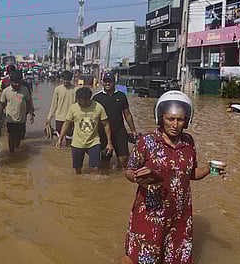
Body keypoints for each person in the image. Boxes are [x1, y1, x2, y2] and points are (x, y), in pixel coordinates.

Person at [121, 91, 227, 264]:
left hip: (179, 215)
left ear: (187, 121)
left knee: (176, 259)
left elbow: (190, 174)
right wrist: (136, 177)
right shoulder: (147, 141)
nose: (175, 125)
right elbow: (129, 170)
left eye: (180, 120)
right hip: (150, 213)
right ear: (161, 117)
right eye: (170, 119)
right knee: (139, 258)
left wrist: (209, 169)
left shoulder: (188, 142)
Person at [56, 87, 114, 174]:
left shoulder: (98, 107)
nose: (80, 103)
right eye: (78, 100)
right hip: (77, 143)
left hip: (94, 142)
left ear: (88, 99)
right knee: (78, 170)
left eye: (82, 101)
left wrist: (109, 143)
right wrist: (60, 139)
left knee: (95, 168)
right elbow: (66, 124)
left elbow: (106, 125)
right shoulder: (73, 108)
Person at [93, 72, 137, 170]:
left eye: (110, 81)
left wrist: (133, 130)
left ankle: (119, 177)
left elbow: (127, 114)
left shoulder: (121, 96)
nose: (107, 84)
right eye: (105, 81)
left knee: (124, 160)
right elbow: (92, 117)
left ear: (114, 82)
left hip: (119, 131)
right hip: (102, 132)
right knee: (104, 162)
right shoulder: (96, 98)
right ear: (102, 82)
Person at [0, 71, 34, 152]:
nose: (17, 85)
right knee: (10, 136)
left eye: (19, 83)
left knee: (19, 138)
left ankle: (16, 149)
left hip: (21, 119)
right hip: (10, 118)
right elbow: (1, 105)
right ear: (11, 82)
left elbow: (29, 103)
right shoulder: (6, 91)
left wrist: (31, 114)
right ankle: (11, 152)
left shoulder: (25, 90)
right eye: (15, 83)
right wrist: (0, 118)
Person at [46, 70, 77, 144]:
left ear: (71, 79)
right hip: (59, 118)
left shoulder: (76, 89)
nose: (66, 81)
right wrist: (49, 117)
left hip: (71, 119)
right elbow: (54, 105)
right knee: (59, 139)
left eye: (68, 80)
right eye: (64, 79)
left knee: (69, 140)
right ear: (62, 79)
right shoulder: (58, 89)